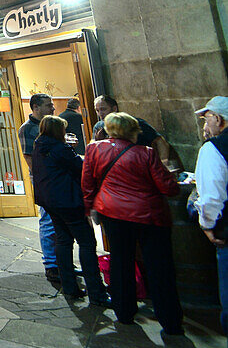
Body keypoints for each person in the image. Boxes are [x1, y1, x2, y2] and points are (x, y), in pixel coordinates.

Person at [82, 112, 183, 335]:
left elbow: (87, 182)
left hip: (113, 213)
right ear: (132, 130)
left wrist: (89, 207)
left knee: (120, 261)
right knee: (159, 267)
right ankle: (170, 320)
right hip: (149, 215)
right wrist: (173, 180)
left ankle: (124, 312)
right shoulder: (146, 153)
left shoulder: (94, 150)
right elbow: (168, 187)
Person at [31, 115, 109, 306]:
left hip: (50, 201)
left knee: (63, 240)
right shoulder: (60, 149)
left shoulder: (39, 146)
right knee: (87, 242)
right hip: (67, 200)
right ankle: (96, 291)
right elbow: (80, 168)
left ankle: (69, 286)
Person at [191, 96, 228, 348]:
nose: (205, 124)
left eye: (207, 119)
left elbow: (212, 196)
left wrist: (207, 225)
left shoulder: (213, 149)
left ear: (218, 119)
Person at [19, 93, 59, 284]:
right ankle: (51, 263)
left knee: (59, 220)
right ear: (35, 107)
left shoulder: (52, 125)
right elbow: (29, 157)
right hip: (45, 180)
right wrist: (43, 178)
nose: (53, 108)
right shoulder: (27, 129)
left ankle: (62, 260)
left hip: (59, 178)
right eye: (49, 105)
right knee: (47, 219)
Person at [91, 95, 172, 167]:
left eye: (103, 109)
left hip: (141, 164)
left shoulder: (134, 123)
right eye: (97, 110)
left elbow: (160, 141)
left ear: (114, 108)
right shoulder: (99, 127)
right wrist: (99, 143)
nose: (100, 113)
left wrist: (164, 161)